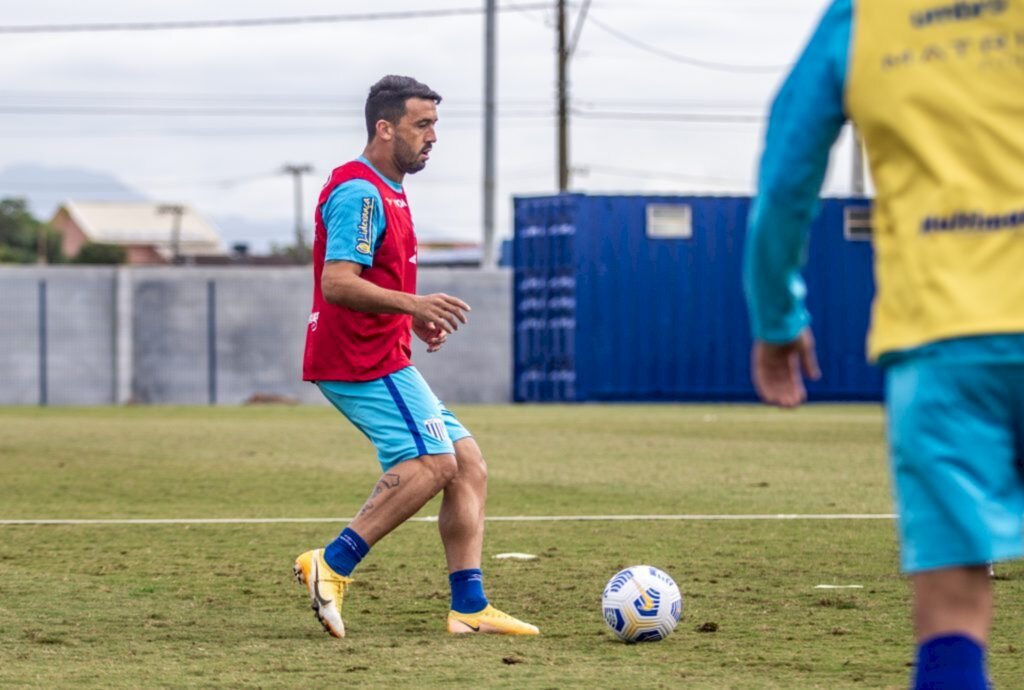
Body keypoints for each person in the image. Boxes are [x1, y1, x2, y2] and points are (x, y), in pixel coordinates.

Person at [744, 2, 1023, 688]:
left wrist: (777, 316)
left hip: (943, 343)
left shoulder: (862, 17)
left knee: (953, 608)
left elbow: (785, 183)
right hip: (942, 344)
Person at [294, 75, 539, 638]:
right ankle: (330, 564)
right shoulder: (360, 191)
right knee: (434, 464)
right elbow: (337, 282)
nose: (432, 137)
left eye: (435, 125)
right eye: (421, 125)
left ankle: (469, 607)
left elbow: (371, 281)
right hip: (358, 359)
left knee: (468, 465)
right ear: (385, 128)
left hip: (383, 352)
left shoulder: (389, 188)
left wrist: (411, 317)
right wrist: (414, 304)